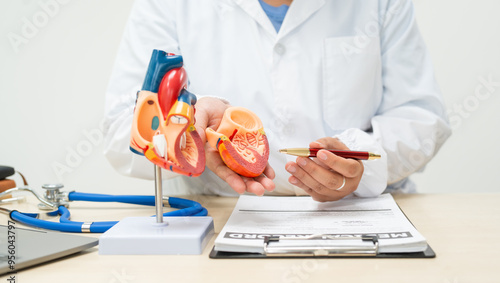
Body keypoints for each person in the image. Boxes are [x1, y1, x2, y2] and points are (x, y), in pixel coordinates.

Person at [104, 0, 451, 202]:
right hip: (221, 213)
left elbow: (422, 117)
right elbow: (123, 131)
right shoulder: (168, 6)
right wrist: (192, 129)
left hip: (356, 213)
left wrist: (363, 162)